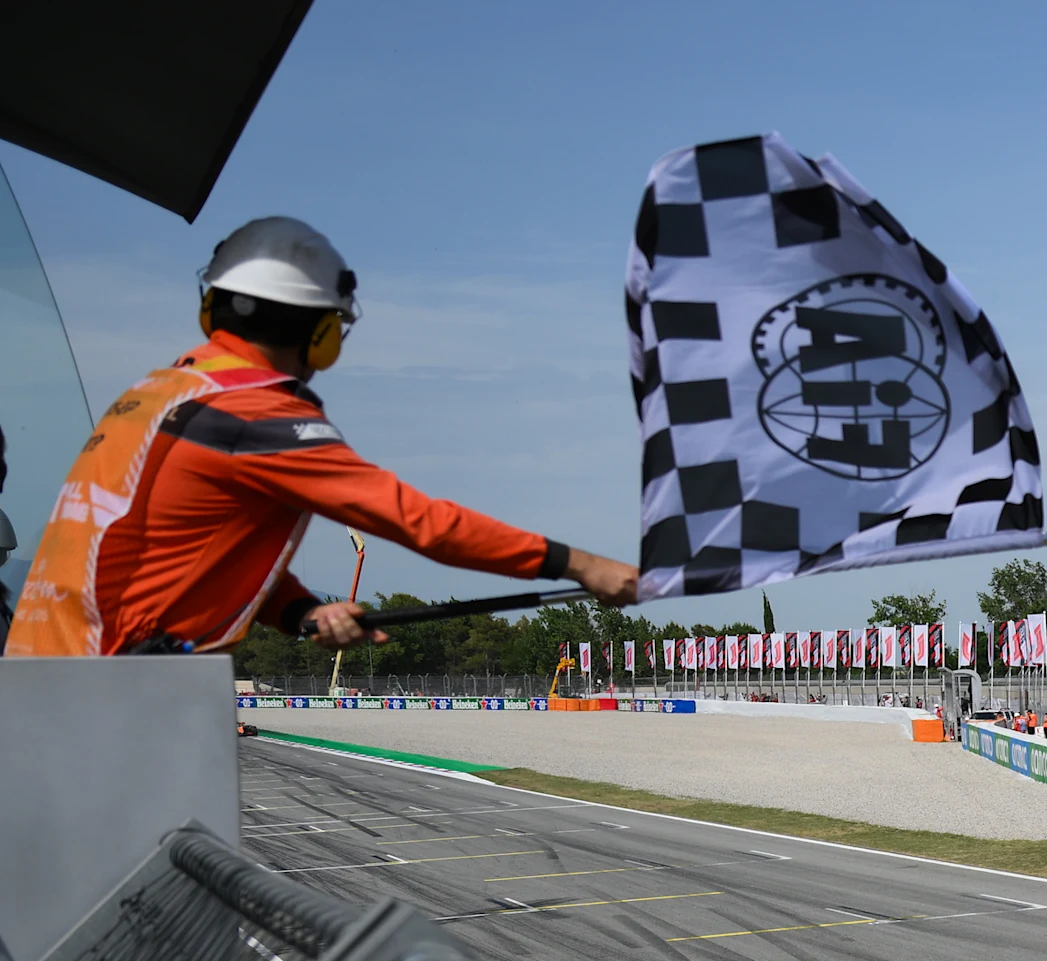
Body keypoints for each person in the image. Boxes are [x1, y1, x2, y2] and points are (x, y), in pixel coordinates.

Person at [6, 217, 636, 658]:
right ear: (320, 335)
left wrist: (300, 612)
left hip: (56, 666)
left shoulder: (161, 395)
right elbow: (417, 520)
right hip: (115, 686)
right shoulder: (253, 413)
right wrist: (582, 565)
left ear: (212, 309)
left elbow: (191, 551)